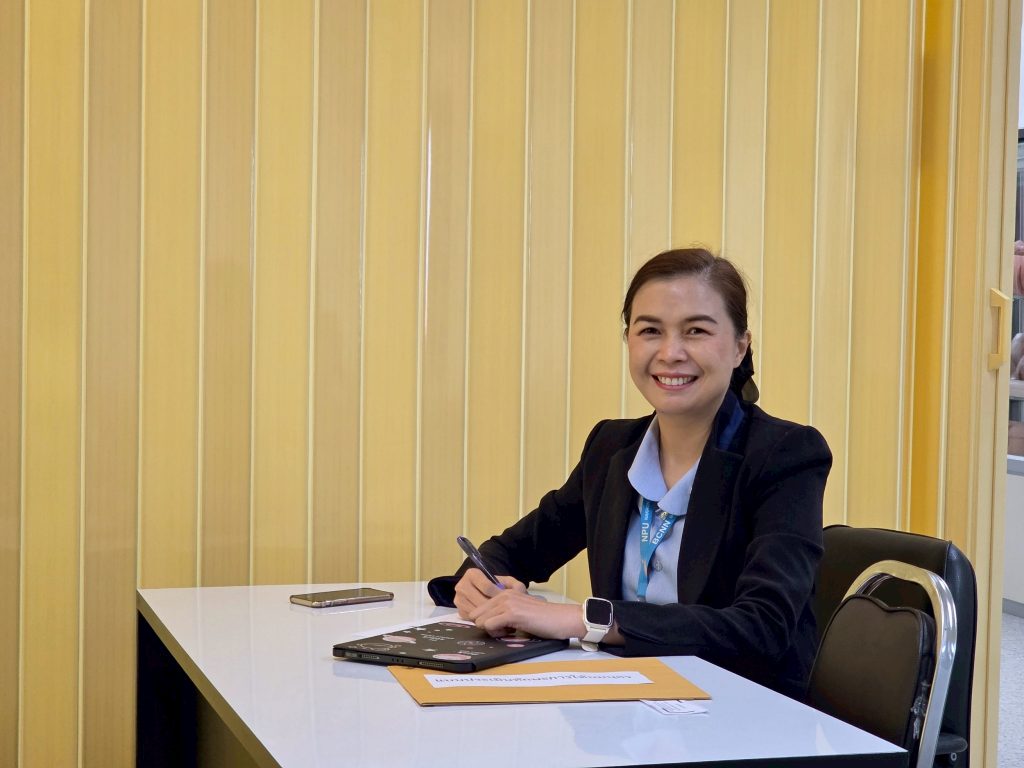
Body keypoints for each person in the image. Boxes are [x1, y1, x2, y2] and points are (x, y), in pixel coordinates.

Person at [428, 248, 832, 698]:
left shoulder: (785, 455)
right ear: (629, 342)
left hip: (744, 708)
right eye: (650, 331)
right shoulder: (611, 448)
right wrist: (480, 584)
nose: (670, 353)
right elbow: (515, 552)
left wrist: (585, 619)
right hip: (630, 701)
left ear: (740, 346)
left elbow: (763, 626)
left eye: (696, 330)